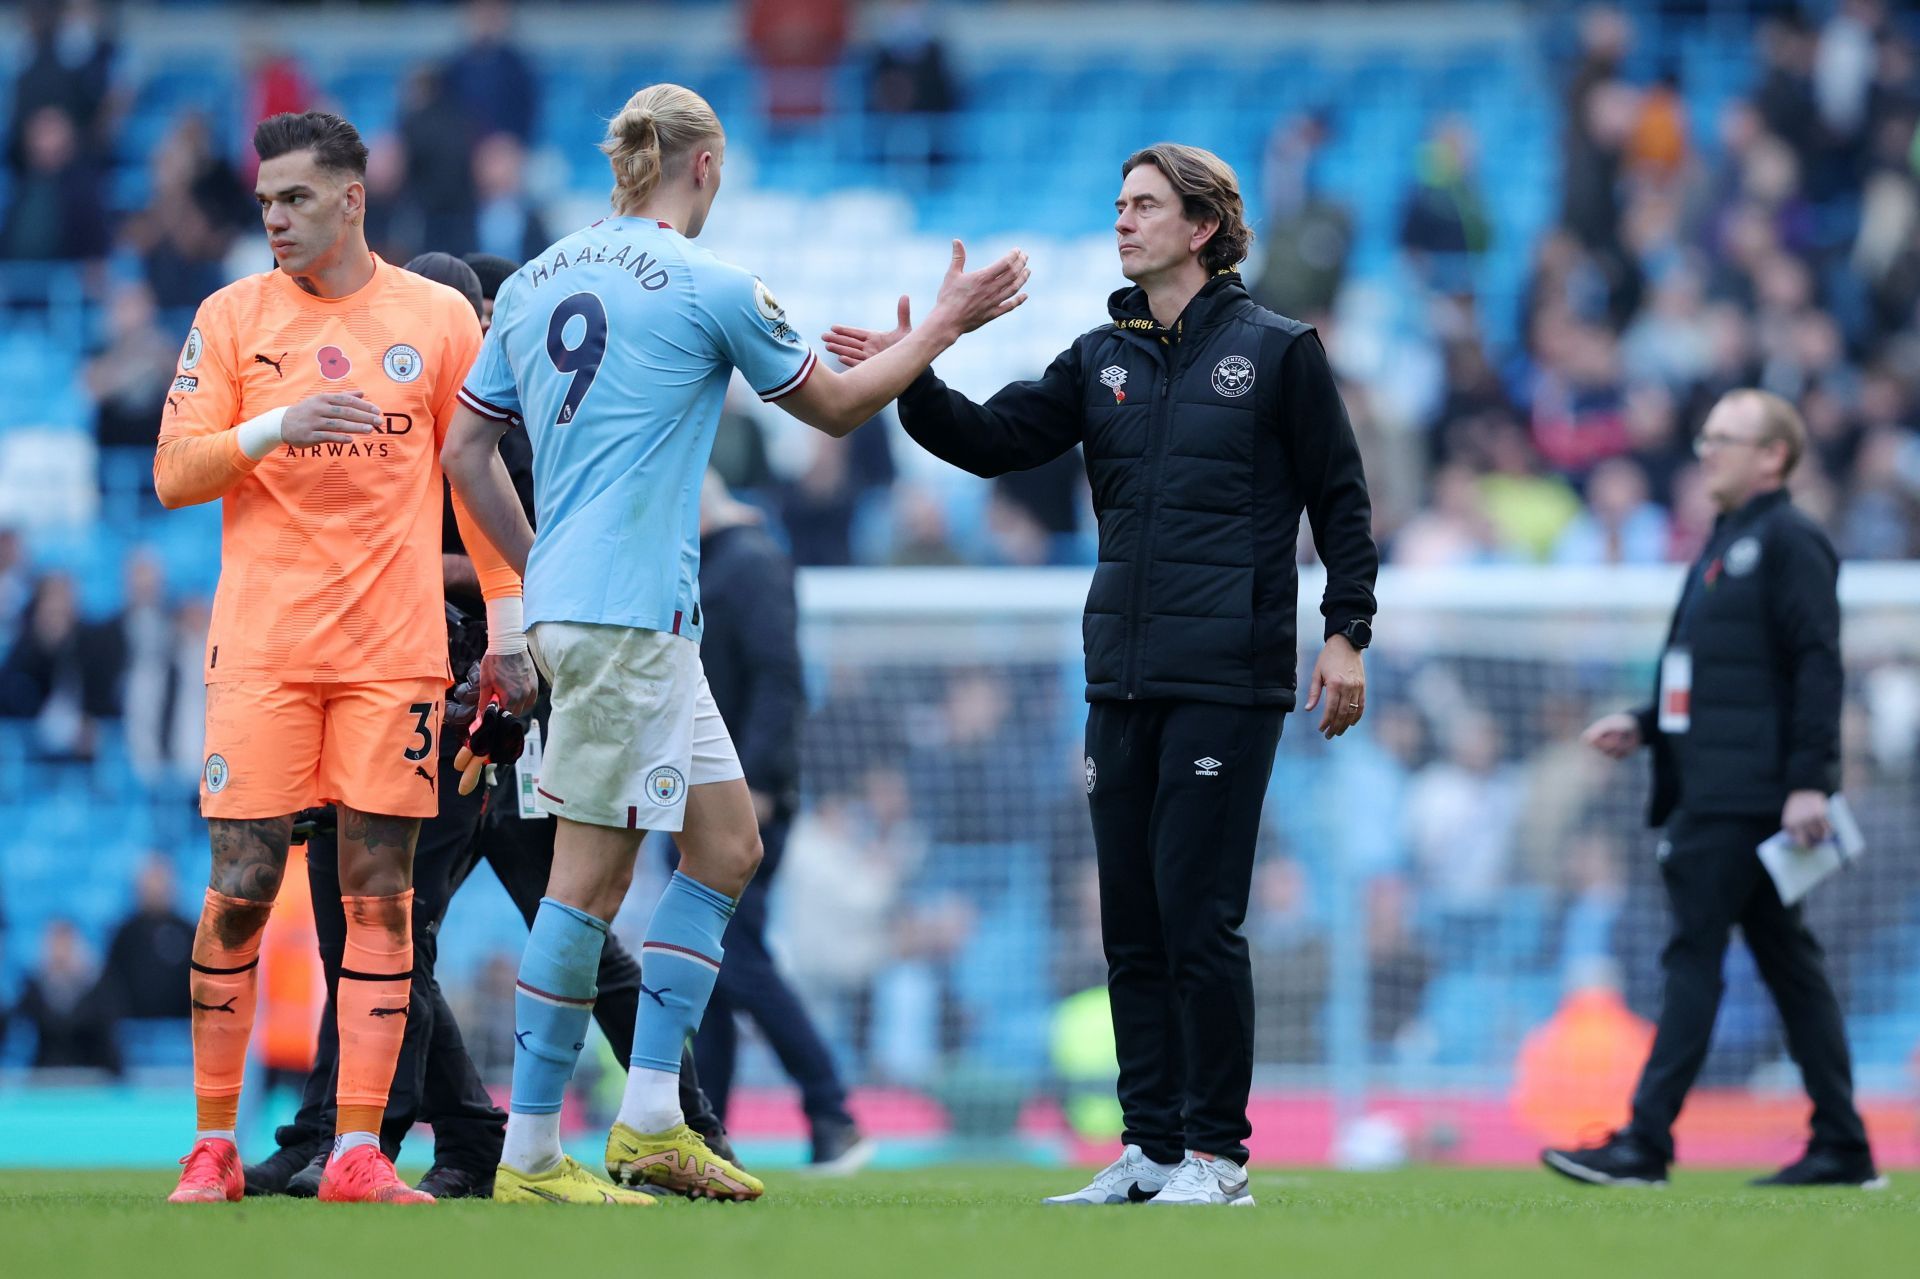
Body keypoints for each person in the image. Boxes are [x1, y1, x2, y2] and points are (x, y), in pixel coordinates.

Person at [440, 82, 1028, 1204]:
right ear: (703, 167)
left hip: (620, 616)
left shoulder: (532, 281)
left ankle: (653, 1116)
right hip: (623, 620)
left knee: (728, 845)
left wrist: (535, 564)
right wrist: (943, 328)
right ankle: (527, 1153)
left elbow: (468, 448)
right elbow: (844, 406)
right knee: (590, 882)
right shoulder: (713, 287)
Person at [826, 142, 1380, 1206]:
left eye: (1144, 205)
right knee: (1126, 920)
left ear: (1201, 226)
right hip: (1118, 677)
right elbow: (990, 441)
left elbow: (1342, 503)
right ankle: (1152, 1149)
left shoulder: (1280, 351)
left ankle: (1219, 1156)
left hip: (1228, 676)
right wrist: (914, 372)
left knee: (1198, 918)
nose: (1122, 221)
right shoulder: (1099, 357)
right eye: (1118, 202)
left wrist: (1346, 629)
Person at [244, 252, 733, 1203]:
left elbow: (538, 560)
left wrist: (413, 569)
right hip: (437, 697)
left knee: (418, 924)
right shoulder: (418, 421)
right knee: (405, 927)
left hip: (497, 710)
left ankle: (411, 1132)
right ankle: (432, 1132)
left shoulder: (518, 432)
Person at [152, 110, 527, 1206]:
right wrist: (277, 425)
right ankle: (212, 1143)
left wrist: (509, 628)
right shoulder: (231, 317)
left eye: (296, 198)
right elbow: (176, 472)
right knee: (241, 888)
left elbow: (474, 477)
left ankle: (357, 1151)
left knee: (380, 898)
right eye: (266, 199)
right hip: (263, 656)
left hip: (394, 660)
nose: (273, 216)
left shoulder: (439, 318)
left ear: (352, 200)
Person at [1543, 389, 1883, 1190]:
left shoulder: (1790, 540)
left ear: (1775, 455)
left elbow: (1817, 665)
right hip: (1722, 784)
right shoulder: (1728, 542)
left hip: (1744, 797)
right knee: (1789, 966)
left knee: (1692, 955)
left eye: (1726, 438)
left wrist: (1811, 782)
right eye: (1706, 437)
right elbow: (1712, 673)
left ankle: (1646, 1142)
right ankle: (1843, 1144)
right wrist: (1645, 719)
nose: (1707, 450)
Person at [687, 471, 871, 1171]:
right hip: (701, 794)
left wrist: (759, 783)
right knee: (710, 965)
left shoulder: (752, 563)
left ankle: (832, 1107)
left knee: (730, 955)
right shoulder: (722, 562)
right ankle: (709, 1130)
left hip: (740, 797)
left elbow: (779, 679)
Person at [103, 854, 195, 1021]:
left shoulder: (188, 931)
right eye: (150, 882)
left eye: (160, 881)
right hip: (133, 1029)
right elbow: (112, 983)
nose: (155, 888)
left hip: (181, 1031)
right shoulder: (124, 933)